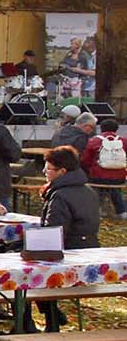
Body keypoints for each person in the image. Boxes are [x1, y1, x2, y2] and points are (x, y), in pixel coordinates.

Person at [38, 145, 100, 330]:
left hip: (69, 256)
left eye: (48, 168)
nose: (44, 172)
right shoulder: (88, 190)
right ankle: (52, 317)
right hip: (90, 251)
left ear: (62, 171)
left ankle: (45, 320)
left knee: (26, 275)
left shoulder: (60, 195)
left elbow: (53, 232)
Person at [80, 117, 127, 220]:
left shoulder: (93, 141)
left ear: (101, 128)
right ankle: (122, 211)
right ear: (116, 129)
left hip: (97, 176)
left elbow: (85, 160)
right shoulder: (124, 141)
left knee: (98, 188)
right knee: (115, 189)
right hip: (119, 178)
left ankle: (97, 211)